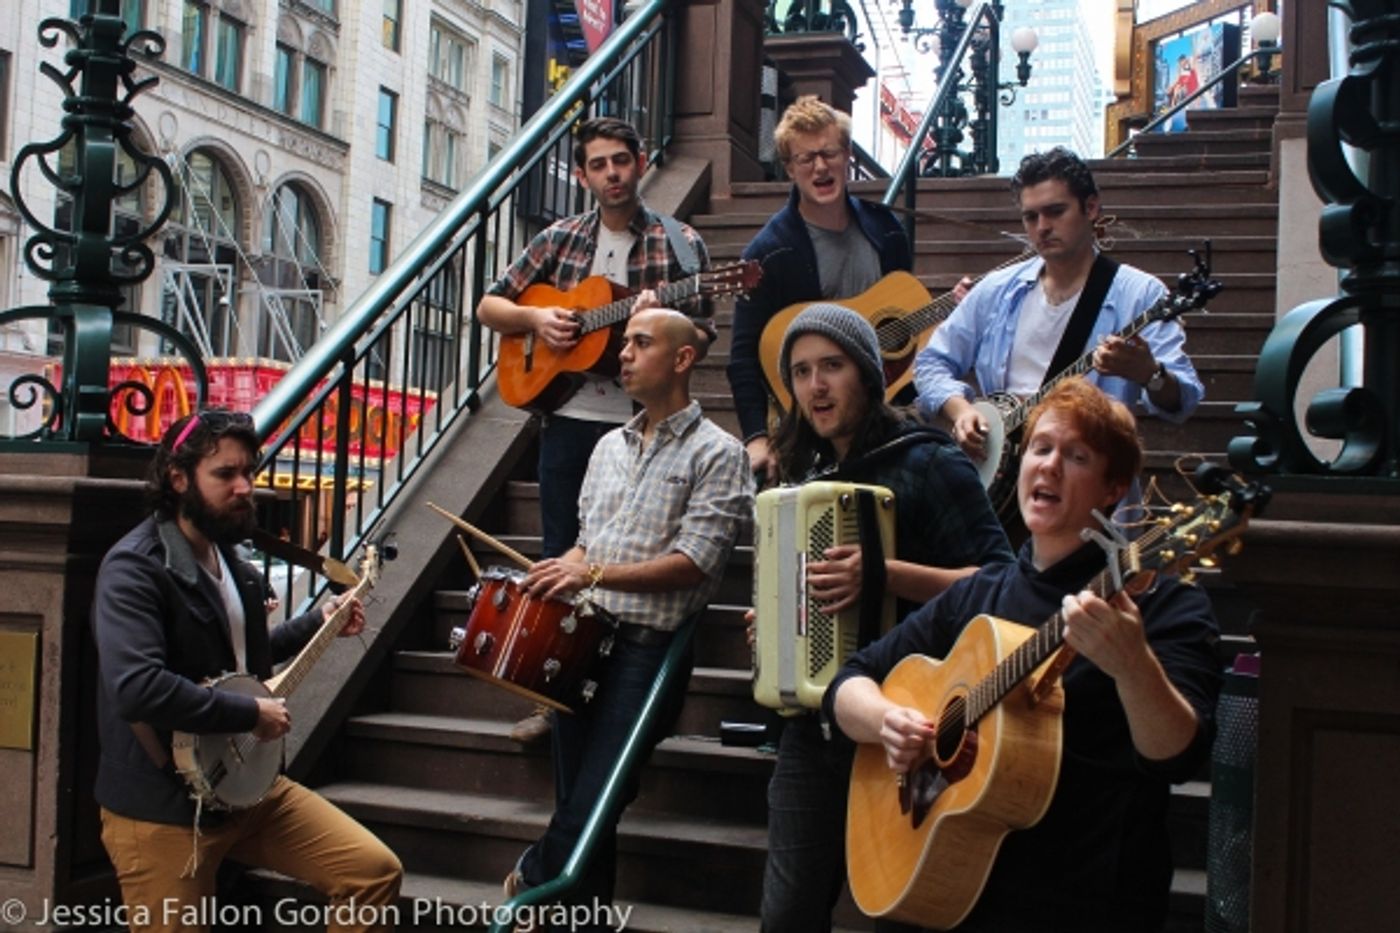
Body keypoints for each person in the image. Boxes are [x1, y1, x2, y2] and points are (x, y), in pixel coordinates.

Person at [828, 378, 1222, 932]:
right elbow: (850, 680)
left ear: (1114, 488)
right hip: (938, 884)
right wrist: (889, 720)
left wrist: (1133, 664)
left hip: (1085, 900)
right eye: (1040, 448)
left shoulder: (1162, 605)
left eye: (1077, 455)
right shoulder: (979, 592)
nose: (1050, 467)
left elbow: (1177, 756)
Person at [92, 409, 403, 933]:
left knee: (371, 873)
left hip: (245, 788)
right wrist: (247, 715)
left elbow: (243, 666)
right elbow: (136, 688)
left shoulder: (234, 565)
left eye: (249, 473)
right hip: (162, 808)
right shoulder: (135, 568)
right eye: (225, 475)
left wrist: (317, 623)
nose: (244, 487)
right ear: (178, 478)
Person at [758, 304, 1013, 932]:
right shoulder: (805, 470)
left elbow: (1000, 584)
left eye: (832, 367)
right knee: (787, 916)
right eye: (800, 372)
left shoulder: (929, 461)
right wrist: (774, 627)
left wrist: (886, 574)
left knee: (900, 914)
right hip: (816, 729)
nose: (815, 386)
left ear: (869, 375)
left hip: (906, 722)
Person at [504, 308, 753, 931]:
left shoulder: (719, 453)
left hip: (650, 650)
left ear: (682, 359)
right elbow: (591, 542)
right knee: (585, 801)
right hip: (582, 637)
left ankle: (532, 876)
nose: (623, 354)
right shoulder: (606, 447)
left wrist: (590, 574)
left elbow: (694, 564)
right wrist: (565, 567)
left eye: (640, 343)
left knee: (599, 797)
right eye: (625, 343)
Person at [477, 116, 712, 743]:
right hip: (571, 421)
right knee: (561, 556)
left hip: (646, 427)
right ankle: (552, 695)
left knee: (630, 562)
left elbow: (704, 333)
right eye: (599, 164)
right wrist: (534, 320)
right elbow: (489, 305)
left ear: (640, 162)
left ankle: (622, 697)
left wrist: (657, 319)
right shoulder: (560, 239)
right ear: (582, 175)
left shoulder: (680, 242)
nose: (612, 174)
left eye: (622, 161)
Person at [913, 146, 1204, 469]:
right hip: (998, 477)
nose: (1042, 227)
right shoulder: (996, 291)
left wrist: (1150, 374)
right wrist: (961, 411)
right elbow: (930, 363)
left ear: (1091, 207)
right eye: (1030, 217)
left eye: (1055, 211)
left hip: (1088, 478)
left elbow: (1184, 400)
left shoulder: (1141, 294)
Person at [726, 96, 913, 485]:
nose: (821, 167)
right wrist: (757, 438)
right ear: (790, 169)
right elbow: (743, 355)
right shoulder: (766, 253)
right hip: (808, 426)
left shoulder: (888, 230)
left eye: (829, 152)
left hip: (882, 419)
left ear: (847, 155)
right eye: (806, 158)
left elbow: (904, 320)